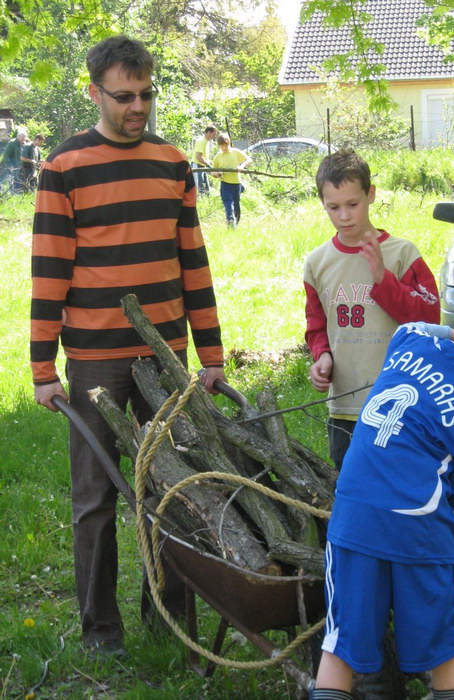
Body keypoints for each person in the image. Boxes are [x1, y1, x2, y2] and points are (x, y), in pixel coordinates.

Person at [30, 35, 226, 657]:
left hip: (166, 359)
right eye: (123, 96)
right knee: (95, 498)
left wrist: (211, 354)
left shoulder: (173, 164)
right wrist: (42, 367)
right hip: (95, 362)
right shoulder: (64, 166)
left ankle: (168, 618)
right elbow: (49, 272)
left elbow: (194, 264)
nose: (137, 106)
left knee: (172, 493)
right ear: (95, 93)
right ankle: (101, 632)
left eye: (145, 94)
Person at [312, 298, 454, 700]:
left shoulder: (409, 342)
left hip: (353, 518)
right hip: (419, 529)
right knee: (445, 648)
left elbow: (412, 326)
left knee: (339, 644)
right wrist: (448, 563)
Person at [304, 147, 440, 470]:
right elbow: (316, 325)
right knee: (348, 480)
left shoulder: (402, 254)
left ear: (371, 195)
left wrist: (383, 279)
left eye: (353, 204)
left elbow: (429, 318)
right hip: (345, 405)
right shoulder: (317, 263)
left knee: (399, 481)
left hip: (400, 401)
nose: (344, 216)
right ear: (322, 204)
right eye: (334, 207)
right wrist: (322, 356)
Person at [211, 132, 252, 227]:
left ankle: (235, 224)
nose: (224, 148)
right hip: (225, 184)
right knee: (228, 202)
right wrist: (216, 174)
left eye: (225, 145)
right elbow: (213, 171)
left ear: (229, 143)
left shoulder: (235, 152)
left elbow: (249, 160)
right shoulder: (218, 157)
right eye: (222, 146)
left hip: (236, 184)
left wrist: (241, 166)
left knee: (236, 205)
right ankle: (230, 220)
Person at [192, 124, 218, 194]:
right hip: (197, 166)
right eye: (214, 134)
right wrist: (209, 165)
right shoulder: (201, 141)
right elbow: (198, 156)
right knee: (199, 187)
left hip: (203, 166)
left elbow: (204, 156)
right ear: (209, 132)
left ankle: (206, 199)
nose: (214, 136)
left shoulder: (207, 141)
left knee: (206, 188)